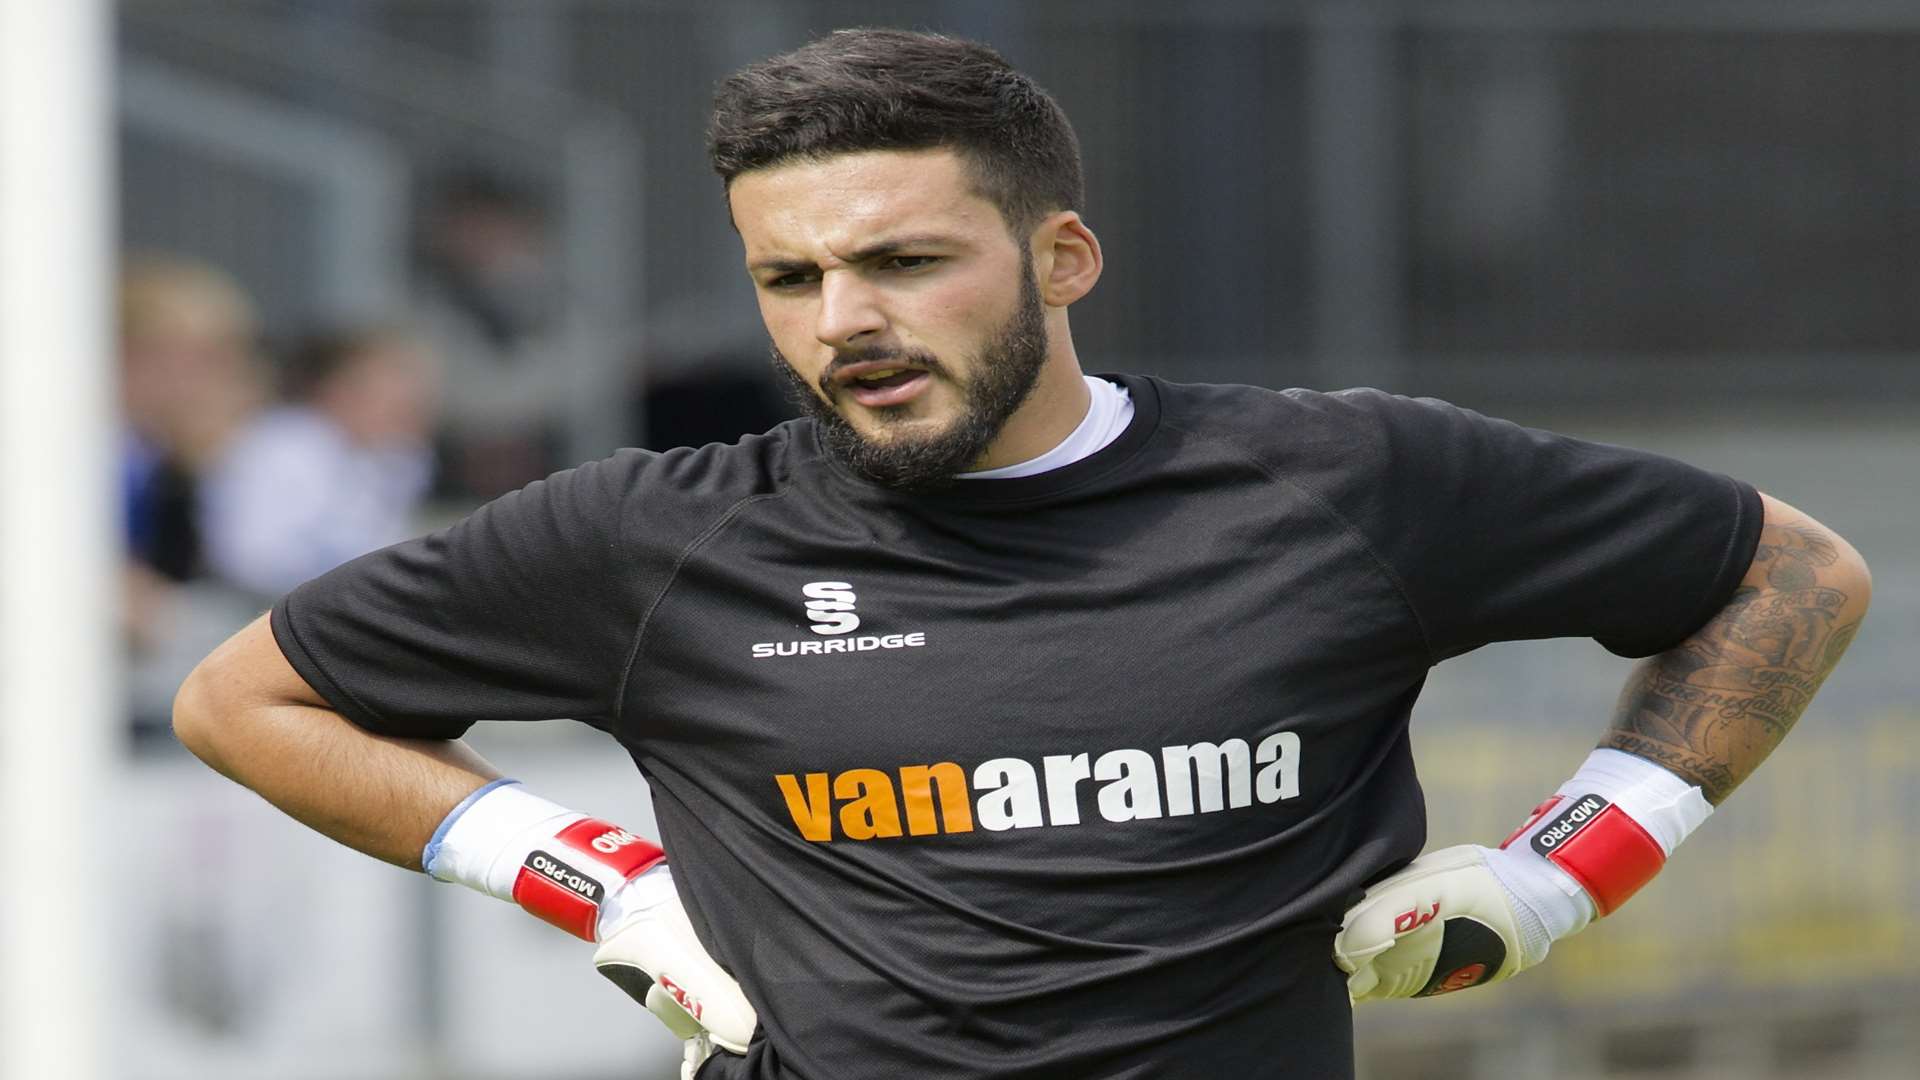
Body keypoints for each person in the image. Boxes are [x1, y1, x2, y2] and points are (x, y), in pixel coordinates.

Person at [172, 29, 1872, 1080]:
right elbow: (246, 703)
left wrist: (1564, 874)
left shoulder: (1343, 481)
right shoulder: (659, 537)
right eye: (791, 280)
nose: (846, 323)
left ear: (1063, 255)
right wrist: (594, 880)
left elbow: (1789, 575)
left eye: (907, 262)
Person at [199, 327, 439, 599]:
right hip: (254, 610)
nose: (411, 403)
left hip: (330, 605)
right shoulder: (282, 446)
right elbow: (250, 561)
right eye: (393, 387)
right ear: (338, 389)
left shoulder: (391, 458)